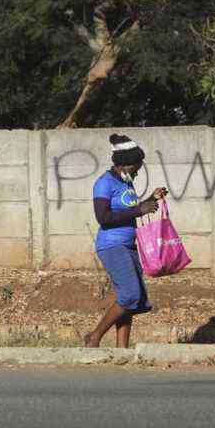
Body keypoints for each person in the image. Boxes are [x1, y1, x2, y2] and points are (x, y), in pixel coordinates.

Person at [84, 134, 168, 348]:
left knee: (130, 300)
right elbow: (103, 217)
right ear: (124, 165)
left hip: (129, 246)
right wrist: (139, 209)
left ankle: (123, 349)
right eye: (136, 167)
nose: (138, 171)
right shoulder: (104, 183)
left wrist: (151, 199)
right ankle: (94, 337)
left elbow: (129, 211)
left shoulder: (126, 182)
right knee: (130, 295)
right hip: (112, 246)